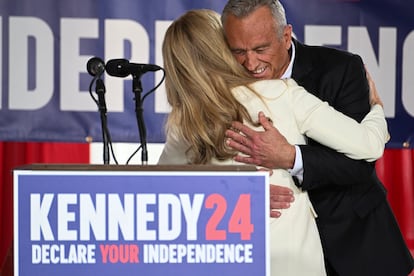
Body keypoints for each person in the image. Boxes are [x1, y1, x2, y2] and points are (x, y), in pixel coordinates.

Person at [157, 9, 389, 276]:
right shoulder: (281, 93)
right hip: (293, 262)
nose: (250, 60)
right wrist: (377, 110)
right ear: (222, 47)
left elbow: (162, 191)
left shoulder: (184, 123)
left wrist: (233, 196)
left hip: (230, 261)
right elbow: (370, 146)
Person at [221, 0, 414, 275]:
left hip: (358, 243)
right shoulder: (223, 84)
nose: (250, 63)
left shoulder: (341, 69)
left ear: (286, 37)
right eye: (238, 51)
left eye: (261, 49)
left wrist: (291, 156)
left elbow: (359, 165)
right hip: (282, 252)